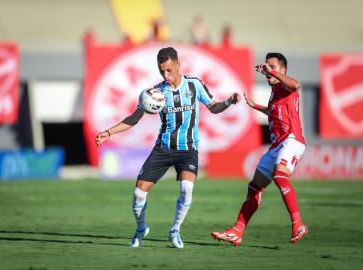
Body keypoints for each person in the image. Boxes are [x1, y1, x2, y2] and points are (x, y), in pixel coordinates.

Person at [96, 47, 241, 249]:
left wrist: (229, 101)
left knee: (186, 190)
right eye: (162, 71)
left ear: (178, 65)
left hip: (188, 149)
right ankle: (140, 228)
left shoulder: (194, 85)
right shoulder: (156, 93)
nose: (166, 75)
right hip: (163, 149)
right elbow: (134, 118)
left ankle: (175, 230)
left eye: (169, 70)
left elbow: (214, 107)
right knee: (139, 193)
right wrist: (109, 132)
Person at [211, 52, 308, 246]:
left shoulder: (286, 86)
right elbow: (272, 110)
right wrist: (253, 105)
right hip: (277, 145)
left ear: (283, 70)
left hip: (292, 141)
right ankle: (237, 231)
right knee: (254, 187)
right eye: (266, 67)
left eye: (272, 67)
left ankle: (298, 223)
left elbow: (295, 85)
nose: (267, 70)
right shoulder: (275, 93)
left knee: (280, 177)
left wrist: (273, 72)